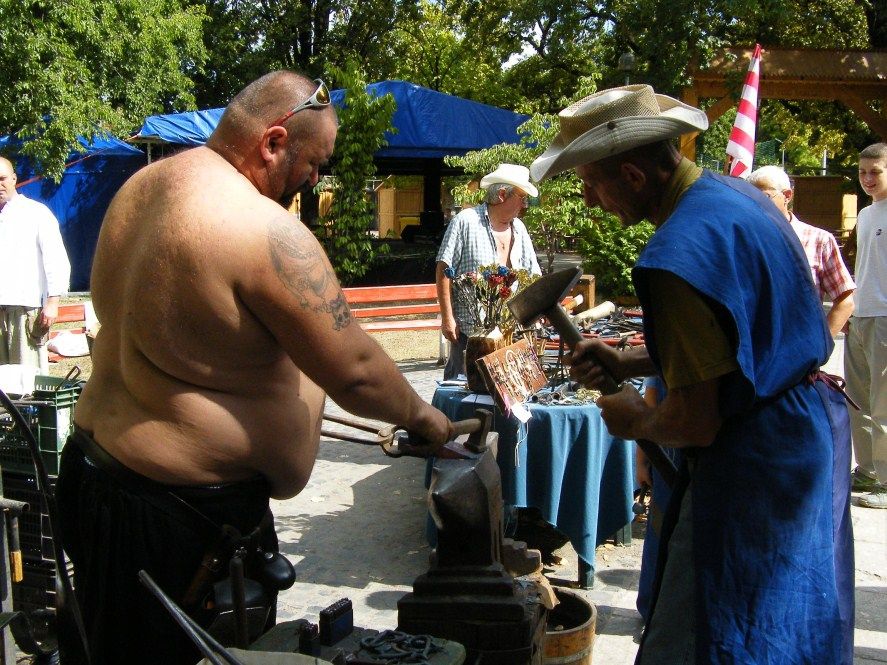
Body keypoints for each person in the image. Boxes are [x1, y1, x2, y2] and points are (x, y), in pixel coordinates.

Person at [55, 71, 453, 665]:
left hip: (92, 473)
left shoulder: (141, 188)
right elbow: (357, 371)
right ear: (272, 142)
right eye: (313, 163)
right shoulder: (260, 229)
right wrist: (427, 419)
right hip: (175, 524)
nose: (314, 180)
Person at [532, 85, 854, 663]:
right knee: (800, 624)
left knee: (729, 630)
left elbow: (694, 421)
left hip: (757, 458)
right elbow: (744, 334)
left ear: (633, 176)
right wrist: (633, 359)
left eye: (591, 183)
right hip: (809, 432)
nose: (587, 200)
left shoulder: (673, 256)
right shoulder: (738, 196)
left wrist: (638, 420)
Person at [436, 163, 542, 380]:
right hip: (470, 333)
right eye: (522, 198)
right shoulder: (466, 222)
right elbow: (443, 270)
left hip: (510, 333)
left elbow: (533, 276)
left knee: (508, 390)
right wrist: (447, 318)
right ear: (502, 195)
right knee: (463, 388)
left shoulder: (519, 229)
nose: (525, 205)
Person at [748, 164, 856, 337]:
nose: (756, 203)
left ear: (787, 195)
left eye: (765, 196)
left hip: (800, 345)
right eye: (749, 197)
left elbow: (845, 301)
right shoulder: (742, 239)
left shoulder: (819, 240)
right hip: (754, 346)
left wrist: (821, 345)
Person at [844, 142, 887, 509]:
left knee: (884, 401)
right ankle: (869, 470)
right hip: (860, 316)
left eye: (876, 172)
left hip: (885, 318)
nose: (868, 179)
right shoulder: (866, 214)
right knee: (858, 401)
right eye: (863, 172)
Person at [0, 156, 71, 372]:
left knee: (28, 378)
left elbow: (56, 260)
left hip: (25, 309)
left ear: (14, 179)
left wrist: (52, 303)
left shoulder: (36, 213)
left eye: (2, 178)